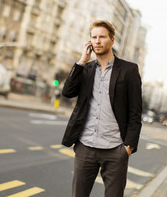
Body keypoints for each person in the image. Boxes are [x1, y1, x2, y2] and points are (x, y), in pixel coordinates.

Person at [61, 20, 142, 197]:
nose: (97, 41)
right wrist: (82, 61)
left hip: (115, 150)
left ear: (112, 40)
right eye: (94, 37)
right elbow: (67, 92)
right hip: (85, 147)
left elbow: (135, 112)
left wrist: (127, 148)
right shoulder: (86, 69)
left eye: (102, 37)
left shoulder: (129, 70)